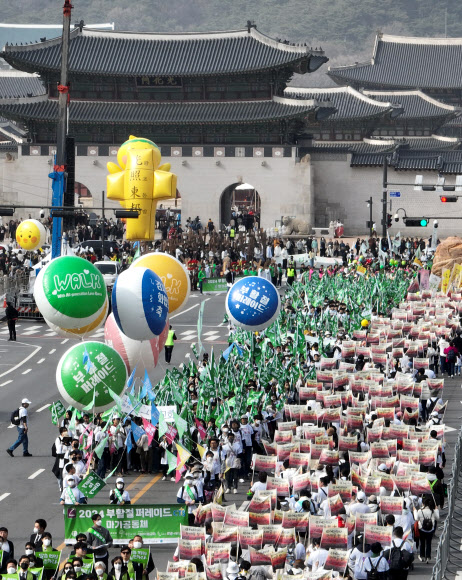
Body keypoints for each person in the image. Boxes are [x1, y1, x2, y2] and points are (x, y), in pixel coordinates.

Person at [414, 498, 439, 563]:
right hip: (430, 529)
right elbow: (437, 518)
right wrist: (436, 510)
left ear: (423, 504)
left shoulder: (420, 511)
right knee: (428, 543)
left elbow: (416, 518)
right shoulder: (432, 511)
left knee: (422, 543)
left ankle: (422, 556)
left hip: (422, 529)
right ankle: (428, 557)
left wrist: (415, 511)